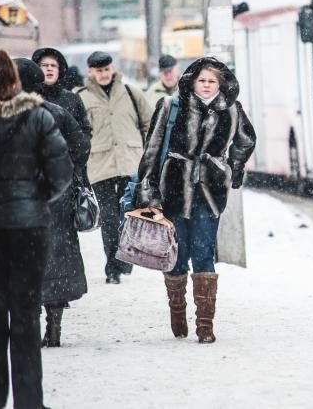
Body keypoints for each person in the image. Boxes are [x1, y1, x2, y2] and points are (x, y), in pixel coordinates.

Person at [136, 57, 256, 343]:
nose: (206, 85)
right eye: (201, 80)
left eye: (212, 81)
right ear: (191, 81)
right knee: (176, 256)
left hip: (210, 192)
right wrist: (147, 188)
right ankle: (177, 309)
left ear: (221, 84)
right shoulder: (170, 106)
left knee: (203, 252)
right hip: (173, 189)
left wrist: (231, 168)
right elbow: (152, 148)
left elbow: (246, 141)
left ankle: (205, 325)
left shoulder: (232, 110)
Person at [0, 49, 72, 409]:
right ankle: (29, 402)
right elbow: (62, 173)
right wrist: (36, 198)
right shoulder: (38, 116)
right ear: (16, 81)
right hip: (29, 229)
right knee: (25, 315)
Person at [15, 58, 89, 348]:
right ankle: (54, 326)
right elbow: (81, 148)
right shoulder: (56, 112)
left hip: (22, 199)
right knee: (56, 257)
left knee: (25, 259)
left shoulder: (6, 115)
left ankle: (30, 326)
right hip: (56, 197)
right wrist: (62, 177)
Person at [78, 51, 153, 283]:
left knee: (128, 215)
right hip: (100, 167)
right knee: (109, 218)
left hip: (130, 164)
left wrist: (147, 156)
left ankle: (125, 259)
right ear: (90, 71)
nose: (103, 74)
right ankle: (113, 268)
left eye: (106, 69)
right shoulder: (81, 97)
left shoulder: (131, 92)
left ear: (112, 69)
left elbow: (148, 123)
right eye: (98, 70)